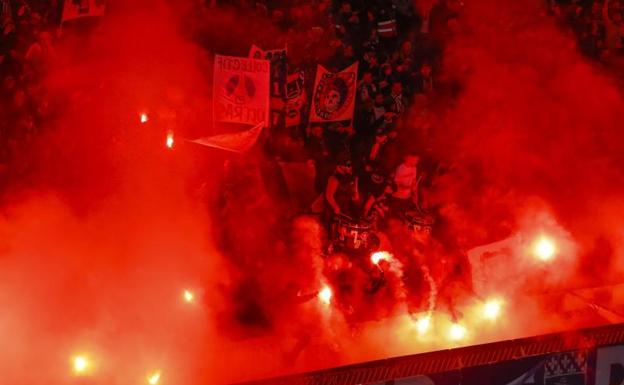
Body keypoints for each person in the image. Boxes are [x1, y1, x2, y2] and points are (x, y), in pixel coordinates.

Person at [389, 152, 421, 217]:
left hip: (406, 198)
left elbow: (414, 182)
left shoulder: (414, 168)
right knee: (394, 217)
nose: (417, 162)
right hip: (397, 197)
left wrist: (415, 195)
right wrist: (407, 188)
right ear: (409, 158)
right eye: (416, 160)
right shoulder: (400, 168)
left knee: (404, 217)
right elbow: (396, 185)